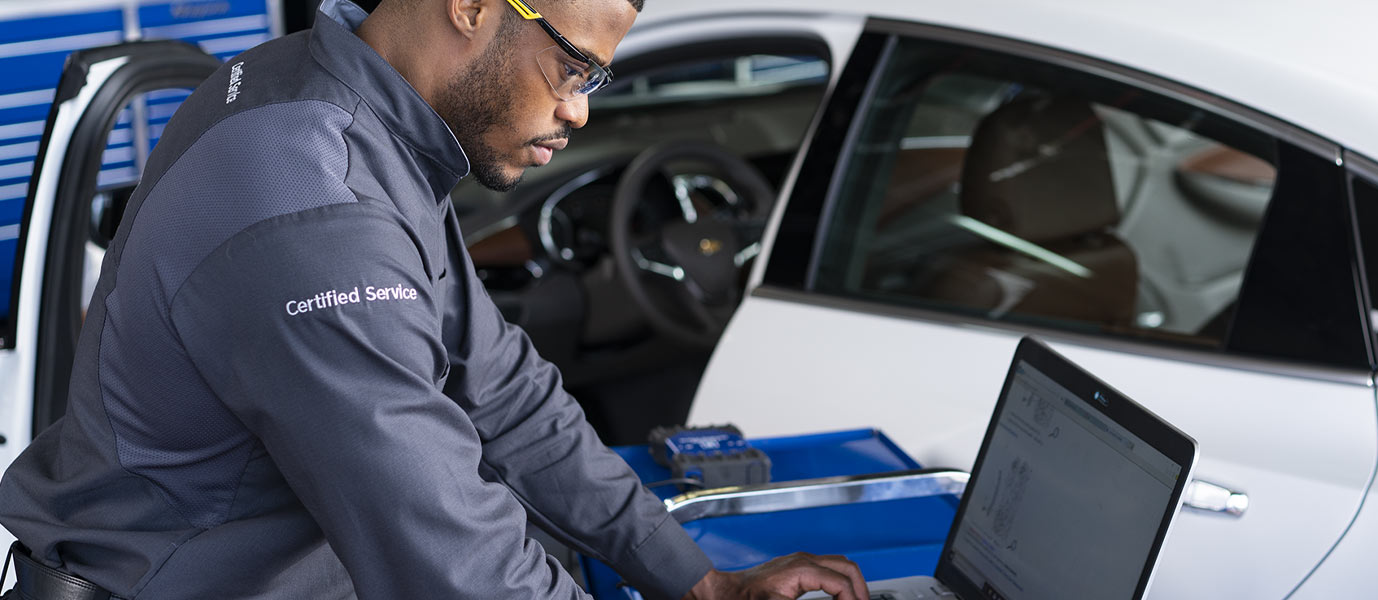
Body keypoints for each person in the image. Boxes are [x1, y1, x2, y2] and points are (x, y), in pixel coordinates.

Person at [0, 0, 871, 598]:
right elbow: (455, 560)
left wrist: (697, 579)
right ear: (472, 5)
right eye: (574, 69)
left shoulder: (339, 112)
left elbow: (505, 394)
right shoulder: (314, 214)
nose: (579, 114)